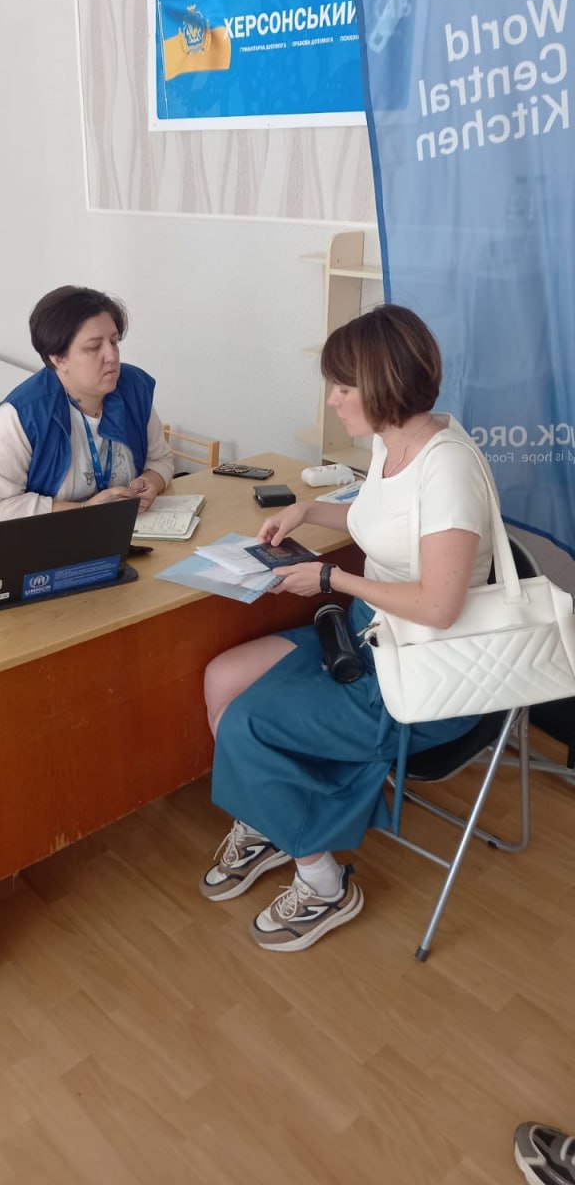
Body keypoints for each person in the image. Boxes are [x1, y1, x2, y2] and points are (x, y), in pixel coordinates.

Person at [200, 303, 494, 952]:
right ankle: (273, 820)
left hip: (425, 672)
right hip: (367, 637)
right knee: (223, 677)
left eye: (342, 386)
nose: (332, 400)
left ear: (384, 384)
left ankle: (324, 883)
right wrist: (308, 511)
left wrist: (332, 579)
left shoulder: (447, 468)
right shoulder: (393, 441)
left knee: (248, 722)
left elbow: (440, 606)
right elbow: (377, 516)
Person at [0, 285, 174, 525]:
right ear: (59, 358)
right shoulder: (24, 413)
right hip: (47, 537)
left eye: (114, 342)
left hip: (123, 529)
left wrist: (150, 483)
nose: (112, 356)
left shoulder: (133, 388)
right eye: (94, 347)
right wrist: (84, 510)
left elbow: (160, 459)